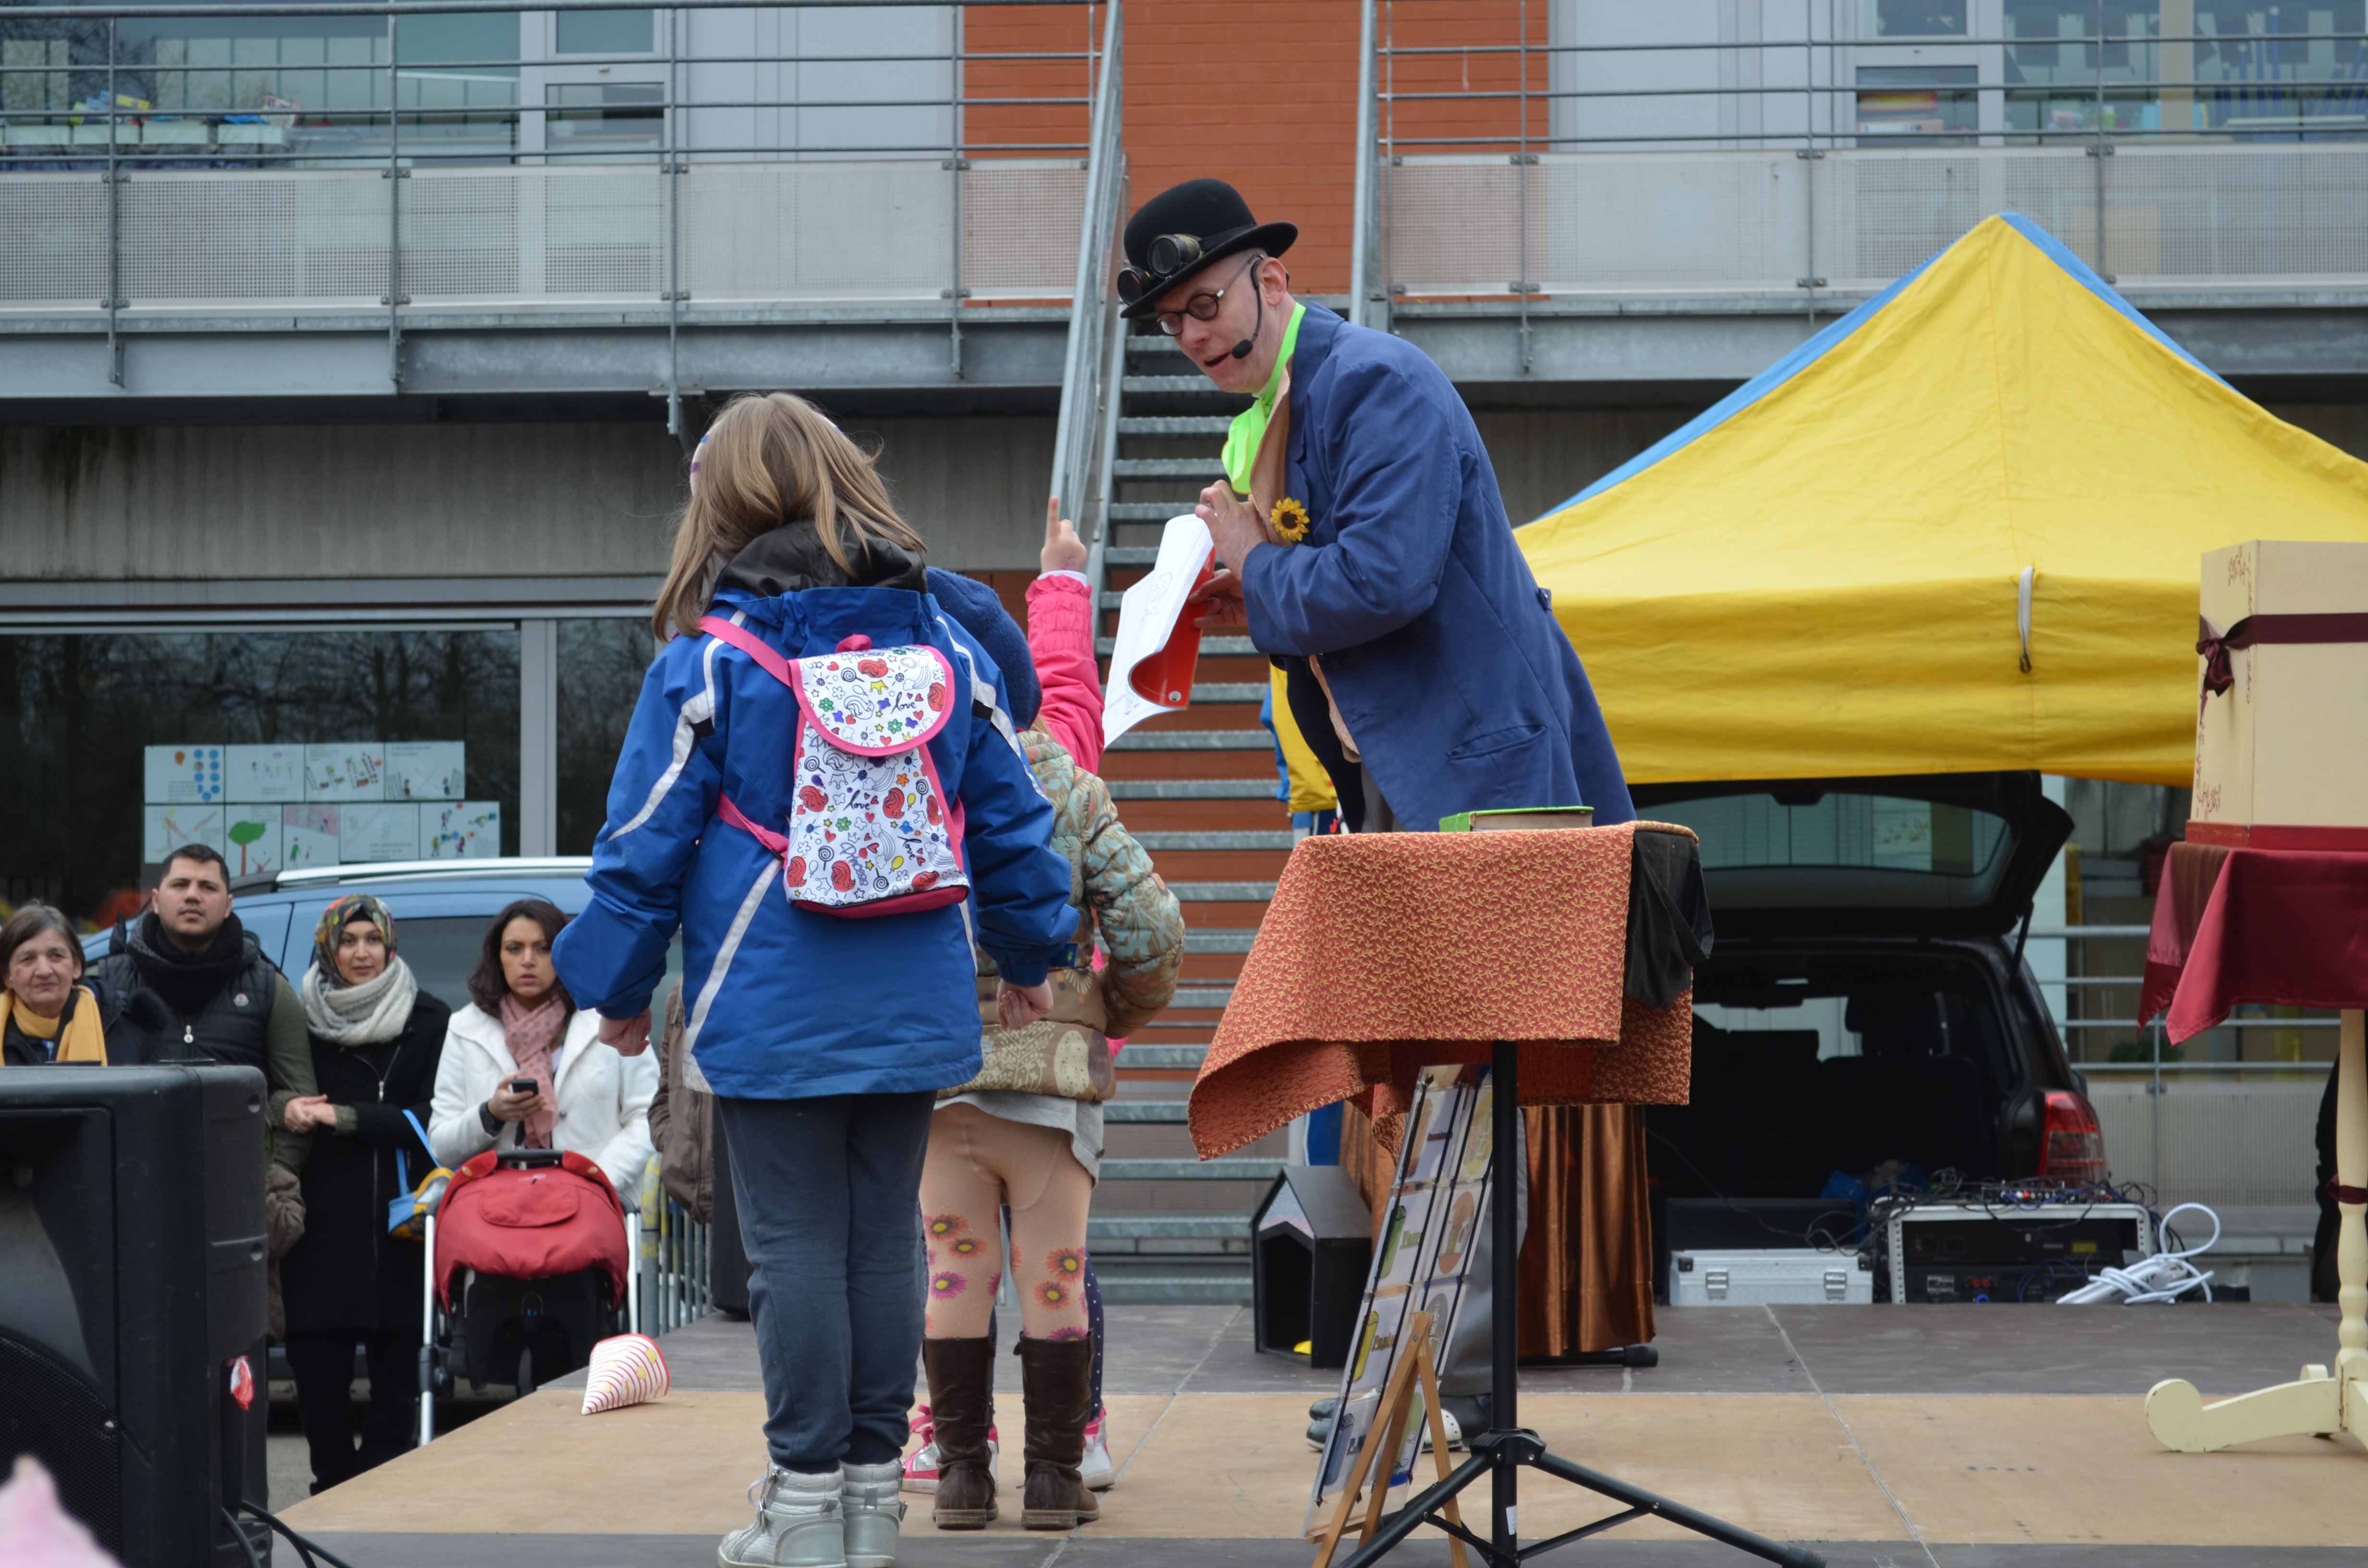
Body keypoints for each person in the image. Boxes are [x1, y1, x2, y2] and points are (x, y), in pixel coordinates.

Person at [551, 392, 1075, 1568]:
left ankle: (800, 1501)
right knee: (885, 1242)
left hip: (769, 992)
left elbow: (642, 849)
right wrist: (1030, 954)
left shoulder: (714, 662)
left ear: (723, 504)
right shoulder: (943, 644)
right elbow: (1013, 815)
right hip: (917, 987)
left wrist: (619, 991)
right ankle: (871, 1498)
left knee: (791, 1249)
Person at [1114, 178, 1635, 835]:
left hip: (1476, 778)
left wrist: (1256, 562)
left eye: (1205, 305)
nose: (1190, 335)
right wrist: (1260, 593)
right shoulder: (1310, 393)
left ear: (1271, 282)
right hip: (1416, 769)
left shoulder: (1372, 381)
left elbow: (1385, 580)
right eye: (1171, 321)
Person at [908, 511, 1185, 1532]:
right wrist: (1119, 1008)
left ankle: (960, 1481)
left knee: (955, 1273)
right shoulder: (1063, 779)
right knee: (1054, 1278)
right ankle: (1057, 1483)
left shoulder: (900, 774)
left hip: (935, 1079)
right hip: (1052, 1082)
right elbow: (1153, 924)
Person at [275, 896, 452, 1494]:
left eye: (371, 940)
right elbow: (276, 1096)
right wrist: (292, 1111)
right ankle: (331, 1489)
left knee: (398, 1377)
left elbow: (435, 1118)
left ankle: (377, 1495)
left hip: (398, 1226)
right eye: (348, 941)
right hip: (318, 1225)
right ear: (328, 947)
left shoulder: (429, 1019)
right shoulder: (298, 1020)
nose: (360, 953)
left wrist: (346, 1119)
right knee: (317, 1376)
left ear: (389, 946)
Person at [85, 845, 318, 1152]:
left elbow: (303, 1104)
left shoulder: (268, 988)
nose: (192, 895)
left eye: (207, 887)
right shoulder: (106, 986)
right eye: (180, 885)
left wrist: (274, 1178)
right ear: (155, 901)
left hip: (240, 1185)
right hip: (134, 1183)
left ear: (228, 906)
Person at [427, 899, 657, 1208]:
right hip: (499, 1213)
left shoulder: (610, 1019)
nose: (527, 960)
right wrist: (491, 1114)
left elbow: (648, 1118)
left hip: (598, 1209)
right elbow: (442, 1144)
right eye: (514, 948)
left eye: (543, 948)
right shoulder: (466, 1028)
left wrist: (595, 1182)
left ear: (566, 954)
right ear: (497, 957)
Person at [2, 904, 116, 1066]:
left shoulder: (130, 1028)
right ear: (8, 975)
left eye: (56, 956)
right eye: (28, 959)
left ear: (76, 966)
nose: (44, 971)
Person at [647, 979, 716, 1222]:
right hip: (690, 1200)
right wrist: (674, 1145)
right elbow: (665, 1091)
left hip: (757, 1198)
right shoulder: (681, 992)